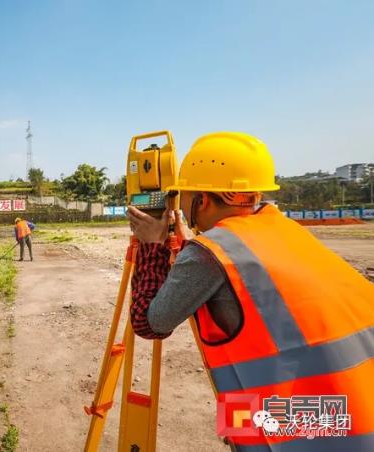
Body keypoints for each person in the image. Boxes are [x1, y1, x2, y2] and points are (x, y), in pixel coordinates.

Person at [127, 132, 373, 451]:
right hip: (357, 403)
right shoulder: (282, 231)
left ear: (201, 199)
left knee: (241, 421)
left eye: (184, 194)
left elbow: (150, 323)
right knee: (237, 417)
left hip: (322, 432)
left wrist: (151, 246)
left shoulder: (207, 254)